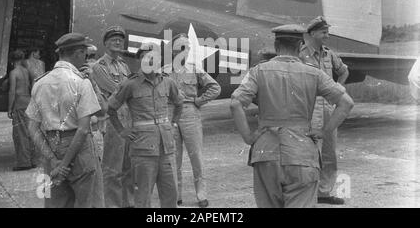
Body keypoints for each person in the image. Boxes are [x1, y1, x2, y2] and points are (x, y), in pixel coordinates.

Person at [230, 24, 354, 208]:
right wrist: (323, 132)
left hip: (266, 153)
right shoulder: (314, 73)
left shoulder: (259, 71)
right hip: (302, 153)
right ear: (299, 46)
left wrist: (249, 138)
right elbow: (346, 103)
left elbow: (235, 103)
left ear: (276, 45)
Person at [26, 33, 104, 208]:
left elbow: (32, 127)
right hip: (79, 147)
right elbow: (83, 129)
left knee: (55, 202)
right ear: (77, 53)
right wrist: (65, 164)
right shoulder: (82, 82)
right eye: (84, 53)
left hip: (50, 147)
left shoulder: (40, 83)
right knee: (89, 202)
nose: (85, 58)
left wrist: (54, 162)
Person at [107, 43, 183, 208]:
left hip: (166, 149)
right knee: (142, 197)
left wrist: (174, 123)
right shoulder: (130, 84)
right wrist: (122, 131)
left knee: (171, 195)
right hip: (142, 150)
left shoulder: (168, 82)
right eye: (144, 57)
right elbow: (111, 108)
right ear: (139, 60)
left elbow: (179, 103)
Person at [163, 33, 221, 208]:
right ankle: (176, 195)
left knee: (196, 155)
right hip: (170, 112)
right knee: (173, 157)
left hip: (189, 112)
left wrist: (199, 100)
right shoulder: (164, 71)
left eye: (185, 48)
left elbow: (215, 87)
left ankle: (201, 195)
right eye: (178, 49)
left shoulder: (195, 69)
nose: (181, 52)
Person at [299, 16, 350, 205]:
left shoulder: (329, 54)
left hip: (328, 107)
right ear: (312, 33)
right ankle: (306, 193)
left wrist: (337, 90)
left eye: (327, 32)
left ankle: (325, 192)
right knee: (309, 150)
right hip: (309, 107)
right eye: (323, 32)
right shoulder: (300, 54)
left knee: (329, 151)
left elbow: (344, 70)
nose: (327, 36)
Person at [91, 26, 134, 208]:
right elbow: (118, 90)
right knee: (112, 168)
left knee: (129, 166)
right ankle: (113, 205)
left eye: (120, 39)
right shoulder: (98, 66)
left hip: (128, 118)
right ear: (105, 43)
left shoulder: (123, 65)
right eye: (114, 39)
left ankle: (128, 202)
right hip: (113, 120)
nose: (118, 42)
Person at [8, 49, 35, 171]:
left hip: (19, 104)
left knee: (20, 134)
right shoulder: (26, 71)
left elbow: (12, 91)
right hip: (28, 102)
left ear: (12, 60)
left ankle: (23, 163)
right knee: (29, 133)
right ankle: (31, 160)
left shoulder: (14, 73)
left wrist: (9, 108)